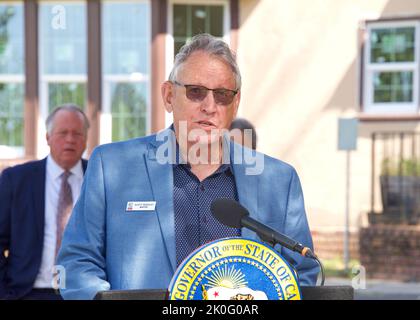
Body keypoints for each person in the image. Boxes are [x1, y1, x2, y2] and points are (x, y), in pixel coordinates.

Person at [57, 34, 319, 300]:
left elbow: (302, 274)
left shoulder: (278, 181)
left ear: (235, 103)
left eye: (222, 95)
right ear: (169, 96)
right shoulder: (111, 168)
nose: (209, 106)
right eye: (196, 92)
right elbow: (77, 264)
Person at [0, 104, 89, 300]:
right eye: (63, 133)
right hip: (28, 292)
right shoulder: (16, 180)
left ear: (86, 140)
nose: (70, 140)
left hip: (84, 292)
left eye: (77, 134)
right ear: (47, 138)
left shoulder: (99, 178)